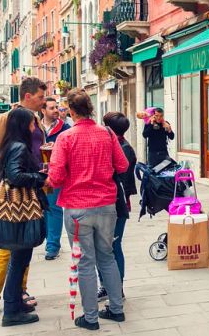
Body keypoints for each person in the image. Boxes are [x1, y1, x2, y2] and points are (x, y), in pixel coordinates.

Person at [48, 89, 129, 330]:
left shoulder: (66, 137)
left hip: (77, 206)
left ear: (71, 111)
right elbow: (123, 165)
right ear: (91, 108)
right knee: (107, 257)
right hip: (106, 204)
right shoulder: (107, 133)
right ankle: (116, 309)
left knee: (85, 261)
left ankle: (91, 317)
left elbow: (56, 177)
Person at [0, 76, 47, 319]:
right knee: (9, 249)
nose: (43, 101)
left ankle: (18, 293)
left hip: (32, 191)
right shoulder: (6, 119)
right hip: (15, 192)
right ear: (27, 96)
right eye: (40, 97)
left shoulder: (37, 120)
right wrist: (4, 182)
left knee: (24, 243)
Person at [0, 108, 48, 327]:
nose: (34, 127)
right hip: (21, 210)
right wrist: (39, 177)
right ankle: (11, 311)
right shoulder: (18, 147)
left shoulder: (7, 146)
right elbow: (15, 176)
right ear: (23, 125)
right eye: (31, 123)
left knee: (20, 259)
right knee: (18, 259)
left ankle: (15, 303)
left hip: (14, 209)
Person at [97, 112, 137, 302]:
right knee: (108, 246)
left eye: (104, 124)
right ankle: (108, 286)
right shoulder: (119, 145)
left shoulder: (122, 149)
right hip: (114, 201)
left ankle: (115, 287)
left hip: (117, 202)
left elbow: (121, 178)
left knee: (113, 246)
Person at [41, 97, 71, 260]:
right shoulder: (35, 127)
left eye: (56, 108)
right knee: (42, 208)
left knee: (53, 208)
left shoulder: (64, 128)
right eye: (51, 108)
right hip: (38, 174)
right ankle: (47, 240)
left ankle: (52, 245)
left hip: (55, 174)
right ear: (43, 110)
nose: (55, 111)